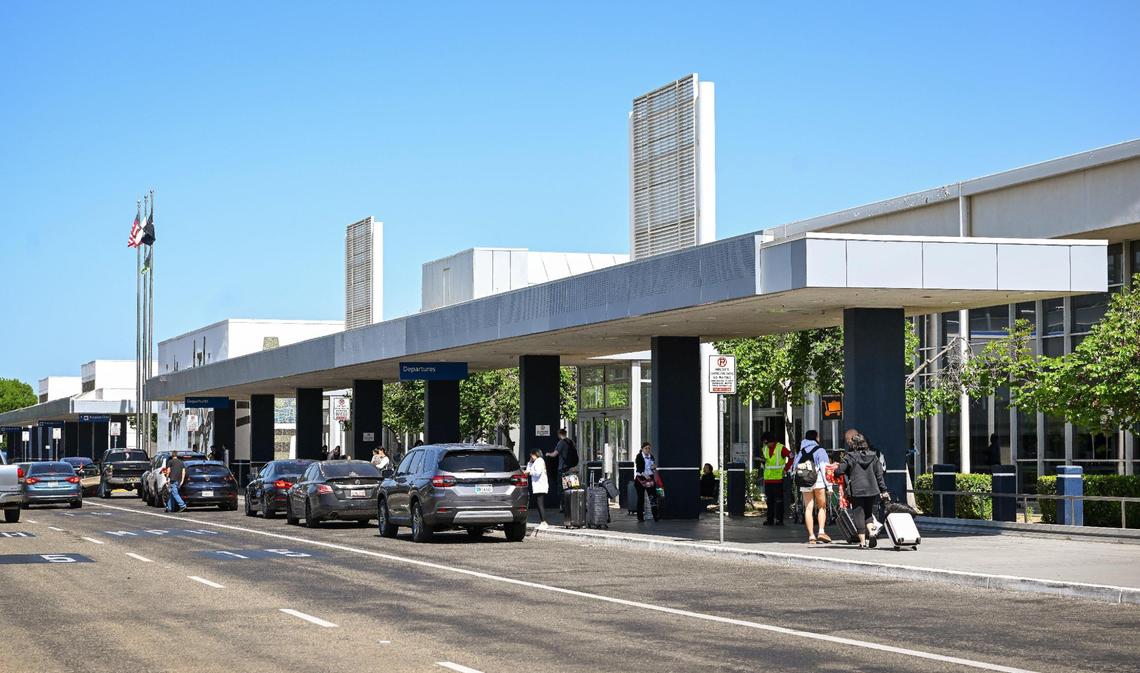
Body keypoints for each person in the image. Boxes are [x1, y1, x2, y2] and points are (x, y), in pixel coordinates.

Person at [834, 432, 890, 548]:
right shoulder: (873, 456)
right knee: (868, 513)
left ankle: (863, 542)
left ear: (853, 445)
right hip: (872, 489)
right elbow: (879, 475)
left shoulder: (850, 457)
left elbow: (839, 471)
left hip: (857, 490)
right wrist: (883, 490)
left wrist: (838, 470)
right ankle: (872, 532)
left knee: (858, 515)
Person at [792, 430, 832, 545]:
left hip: (805, 481)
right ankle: (821, 531)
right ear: (816, 438)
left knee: (808, 508)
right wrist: (829, 486)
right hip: (818, 480)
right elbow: (825, 469)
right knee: (822, 507)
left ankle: (811, 536)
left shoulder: (801, 451)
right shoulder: (820, 450)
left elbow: (794, 468)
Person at [758, 432, 791, 526]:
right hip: (768, 479)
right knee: (769, 501)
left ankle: (779, 520)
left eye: (766, 442)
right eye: (764, 443)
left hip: (778, 479)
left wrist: (786, 469)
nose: (765, 445)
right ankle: (770, 519)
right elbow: (767, 461)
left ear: (771, 441)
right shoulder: (765, 448)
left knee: (779, 500)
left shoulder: (781, 448)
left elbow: (791, 457)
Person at [634, 442, 660, 522]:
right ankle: (640, 517)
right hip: (641, 479)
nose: (648, 450)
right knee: (641, 498)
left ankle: (655, 516)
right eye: (646, 448)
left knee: (652, 497)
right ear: (642, 449)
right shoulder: (639, 456)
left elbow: (652, 467)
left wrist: (654, 467)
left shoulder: (651, 456)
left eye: (649, 448)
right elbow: (639, 468)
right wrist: (645, 475)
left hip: (650, 478)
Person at [526, 449, 549, 528]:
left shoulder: (539, 461)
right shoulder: (537, 461)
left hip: (540, 485)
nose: (531, 457)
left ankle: (543, 522)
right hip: (539, 485)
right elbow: (528, 469)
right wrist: (529, 463)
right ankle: (543, 522)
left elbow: (537, 473)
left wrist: (530, 473)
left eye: (531, 456)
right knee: (539, 504)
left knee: (540, 504)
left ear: (535, 454)